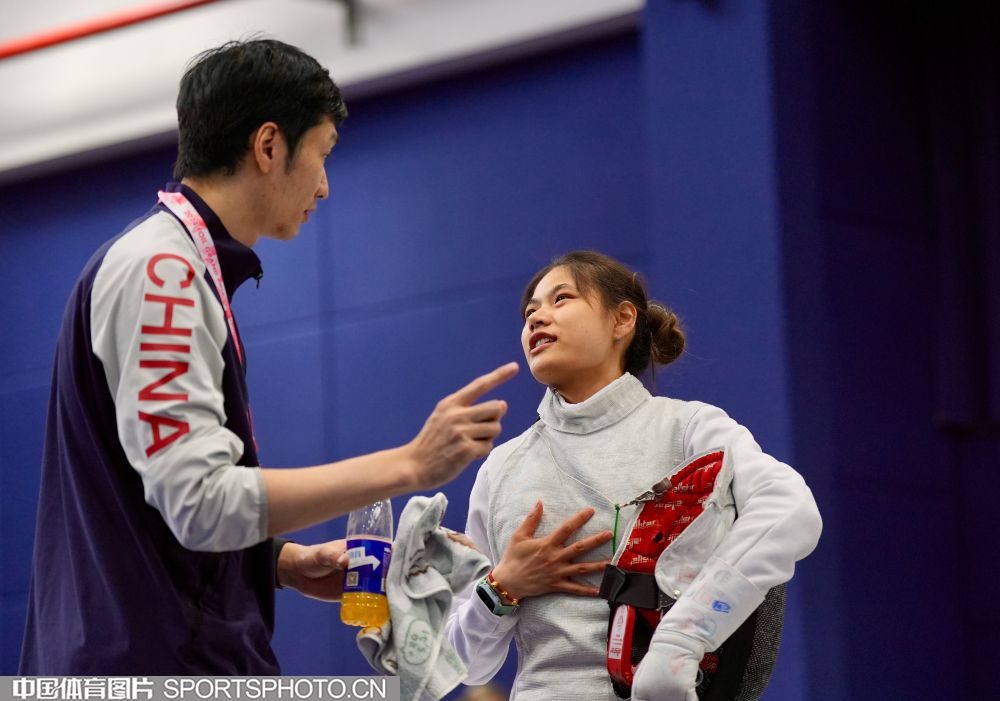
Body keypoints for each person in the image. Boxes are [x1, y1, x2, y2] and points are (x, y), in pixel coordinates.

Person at [19, 38, 517, 675]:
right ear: (269, 146)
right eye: (323, 155)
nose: (326, 186)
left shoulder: (172, 265)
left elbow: (155, 507)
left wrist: (277, 563)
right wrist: (409, 465)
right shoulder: (163, 271)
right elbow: (201, 504)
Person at [445, 251, 822, 700]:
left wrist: (683, 638)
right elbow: (468, 665)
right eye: (530, 313)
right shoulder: (502, 468)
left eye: (561, 299)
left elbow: (789, 510)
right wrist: (500, 588)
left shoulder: (688, 429)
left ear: (621, 319)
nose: (537, 318)